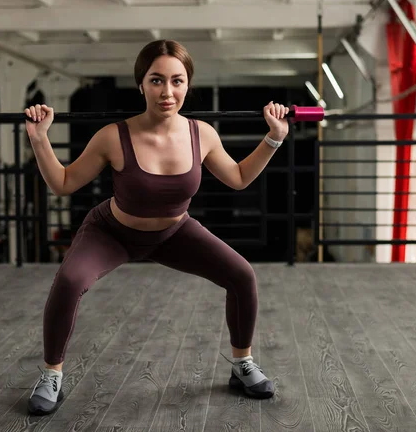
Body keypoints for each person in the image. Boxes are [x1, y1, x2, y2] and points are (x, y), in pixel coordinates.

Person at [25, 39, 289, 416]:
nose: (167, 92)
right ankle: (52, 374)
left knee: (242, 275)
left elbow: (240, 178)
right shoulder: (113, 136)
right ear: (141, 84)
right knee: (69, 281)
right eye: (156, 80)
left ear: (188, 85)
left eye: (177, 81)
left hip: (174, 233)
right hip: (112, 231)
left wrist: (274, 137)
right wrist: (39, 139)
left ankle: (242, 363)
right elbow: (63, 183)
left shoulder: (203, 134)